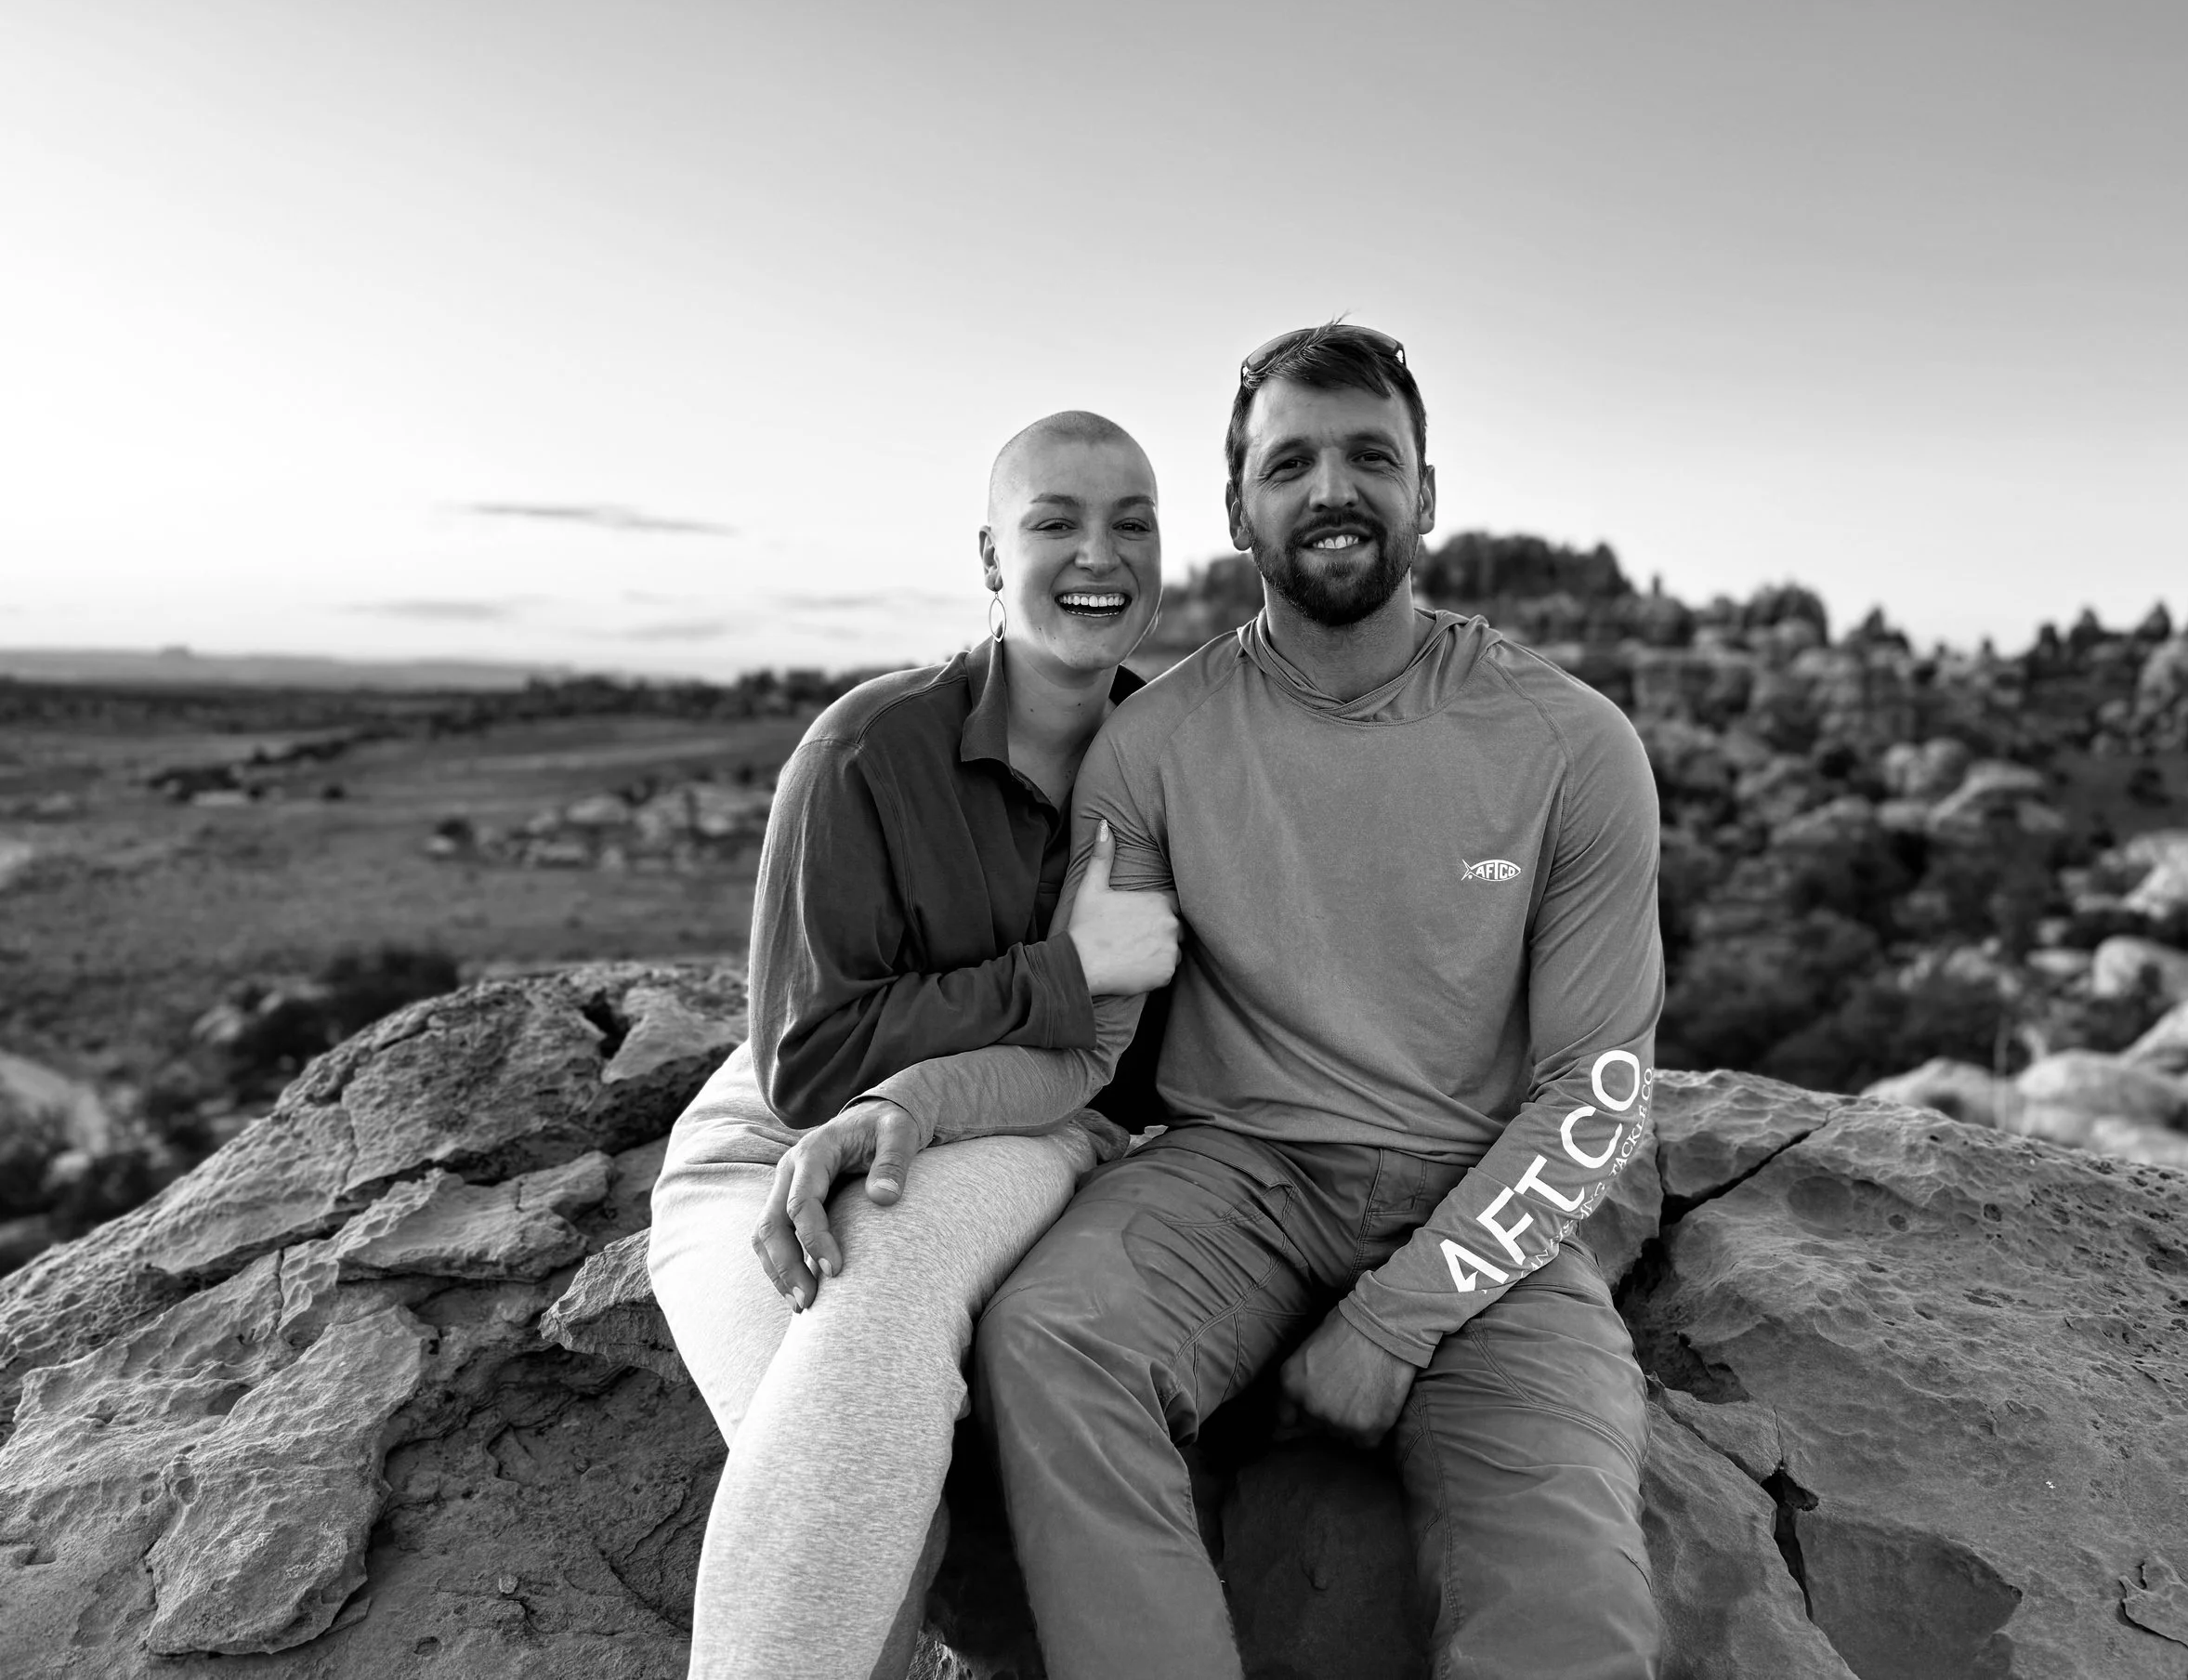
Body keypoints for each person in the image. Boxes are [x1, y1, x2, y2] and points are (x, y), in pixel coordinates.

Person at [816, 322, 1665, 1678]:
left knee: (1572, 1592)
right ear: (1238, 508)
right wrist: (912, 1096)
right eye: (1292, 462)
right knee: (1050, 1343)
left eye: (1370, 457)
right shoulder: (1154, 744)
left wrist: (1399, 1318)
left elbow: (1597, 1089)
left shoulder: (1570, 742)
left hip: (1488, 1203)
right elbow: (1085, 1051)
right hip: (1241, 1179)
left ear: (1426, 495)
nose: (1333, 488)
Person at [646, 409, 1183, 1680]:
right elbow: (812, 1064)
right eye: (1053, 521)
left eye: (1131, 523)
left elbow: (1124, 1054)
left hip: (1019, 1120)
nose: (1095, 552)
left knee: (876, 1424)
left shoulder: (1175, 766)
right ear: (992, 556)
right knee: (870, 1469)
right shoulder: (862, 754)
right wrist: (1060, 972)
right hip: (763, 1146)